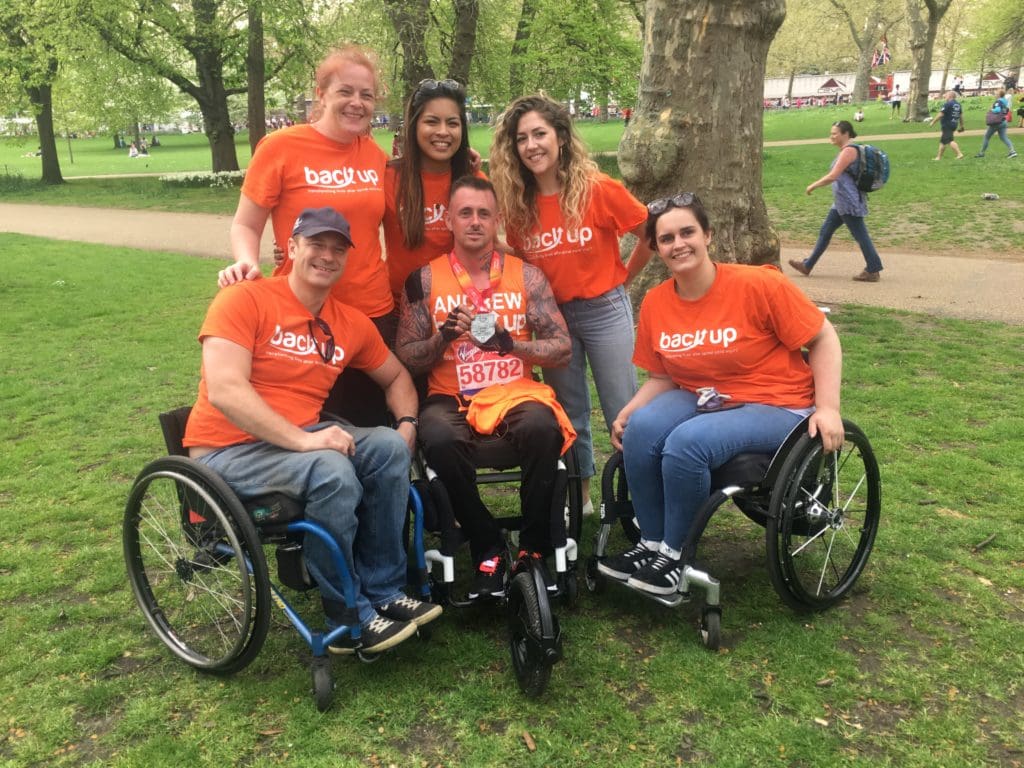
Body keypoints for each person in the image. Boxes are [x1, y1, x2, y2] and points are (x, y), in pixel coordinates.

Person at [183, 207, 440, 654]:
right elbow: (225, 389)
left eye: (338, 248)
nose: (327, 255)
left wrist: (407, 425)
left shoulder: (348, 322)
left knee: (387, 449)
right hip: (226, 453)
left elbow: (397, 378)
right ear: (293, 248)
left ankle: (383, 590)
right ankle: (346, 611)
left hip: (297, 445)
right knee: (331, 469)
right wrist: (305, 441)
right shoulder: (245, 299)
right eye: (317, 244)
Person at [598, 193, 844, 594]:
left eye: (687, 232)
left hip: (777, 401)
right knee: (641, 430)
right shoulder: (658, 303)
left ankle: (676, 555)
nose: (678, 244)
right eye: (666, 239)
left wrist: (829, 408)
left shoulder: (758, 284)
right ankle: (652, 544)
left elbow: (823, 338)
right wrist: (630, 409)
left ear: (708, 235)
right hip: (705, 395)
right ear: (656, 248)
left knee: (687, 442)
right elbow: (662, 376)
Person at [395, 176, 573, 599]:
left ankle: (532, 548)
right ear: (450, 221)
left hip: (514, 392)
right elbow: (405, 355)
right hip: (450, 396)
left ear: (497, 221)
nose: (475, 222)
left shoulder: (527, 277)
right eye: (465, 213)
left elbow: (562, 348)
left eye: (484, 214)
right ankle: (486, 541)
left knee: (543, 429)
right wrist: (441, 338)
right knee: (436, 438)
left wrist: (511, 343)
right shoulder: (422, 280)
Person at [489, 94, 653, 515]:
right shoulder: (518, 204)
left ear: (560, 137)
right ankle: (580, 499)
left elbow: (649, 231)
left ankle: (633, 497)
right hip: (552, 321)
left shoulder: (596, 189)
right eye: (521, 138)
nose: (531, 145)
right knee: (570, 414)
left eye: (539, 133)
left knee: (624, 408)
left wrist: (625, 279)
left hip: (604, 310)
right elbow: (527, 256)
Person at [222, 46, 396, 426]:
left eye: (366, 95)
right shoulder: (281, 147)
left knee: (371, 428)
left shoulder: (375, 156)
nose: (357, 103)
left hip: (371, 313)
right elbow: (246, 224)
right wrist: (247, 260)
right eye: (345, 92)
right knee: (306, 423)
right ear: (321, 94)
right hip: (300, 316)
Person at [383, 78, 476, 307]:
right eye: (432, 122)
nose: (443, 132)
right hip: (399, 310)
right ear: (414, 125)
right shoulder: (389, 178)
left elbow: (491, 246)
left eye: (452, 123)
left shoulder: (474, 183)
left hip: (458, 310)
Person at [788, 120, 884, 283]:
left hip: (848, 202)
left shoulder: (848, 152)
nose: (831, 136)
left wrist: (813, 186)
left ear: (845, 134)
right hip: (841, 202)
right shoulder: (848, 150)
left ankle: (873, 269)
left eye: (834, 133)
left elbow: (833, 176)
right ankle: (808, 265)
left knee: (860, 235)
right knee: (826, 231)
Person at [975, 88, 1018, 159]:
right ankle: (1012, 151)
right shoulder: (1005, 101)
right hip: (1003, 121)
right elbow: (1006, 111)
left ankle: (981, 153)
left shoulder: (998, 101)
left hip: (996, 122)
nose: (994, 95)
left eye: (995, 93)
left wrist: (991, 109)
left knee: (986, 137)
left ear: (998, 94)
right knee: (1004, 137)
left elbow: (997, 110)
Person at [930, 90, 965, 160]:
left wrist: (933, 122)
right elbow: (960, 116)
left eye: (946, 95)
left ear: (950, 96)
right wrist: (961, 126)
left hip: (947, 124)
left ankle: (959, 154)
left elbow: (941, 114)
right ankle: (938, 157)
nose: (945, 96)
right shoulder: (958, 104)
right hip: (954, 124)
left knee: (949, 140)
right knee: (943, 141)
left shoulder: (948, 104)